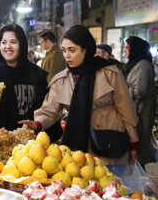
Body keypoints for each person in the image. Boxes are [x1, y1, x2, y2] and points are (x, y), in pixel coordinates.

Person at [20, 25, 139, 165]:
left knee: (112, 184)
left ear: (86, 49)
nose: (67, 56)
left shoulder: (109, 73)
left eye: (72, 50)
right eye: (64, 51)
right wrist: (37, 123)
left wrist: (133, 144)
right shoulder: (62, 79)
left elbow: (126, 110)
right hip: (77, 150)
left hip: (109, 145)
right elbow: (50, 109)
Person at [0, 24, 62, 141]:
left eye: (13, 42)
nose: (8, 47)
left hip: (27, 149)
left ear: (22, 44)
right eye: (3, 42)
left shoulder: (37, 75)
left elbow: (47, 111)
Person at [123, 36, 156, 165]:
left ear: (135, 49)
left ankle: (139, 182)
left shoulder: (143, 65)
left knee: (138, 152)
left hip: (140, 114)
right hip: (135, 112)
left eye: (127, 48)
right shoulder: (136, 64)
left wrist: (121, 92)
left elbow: (138, 91)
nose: (125, 51)